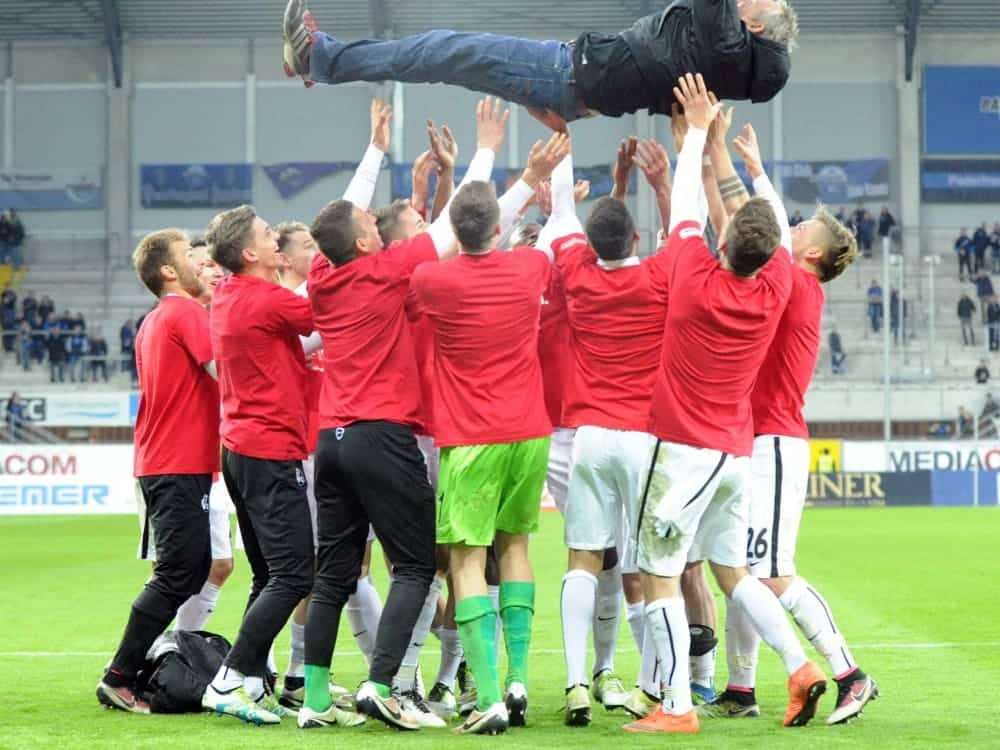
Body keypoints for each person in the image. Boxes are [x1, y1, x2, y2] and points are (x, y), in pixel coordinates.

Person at [300, 98, 529, 734]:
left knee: (334, 574)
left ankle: (315, 699)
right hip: (381, 434)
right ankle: (382, 686)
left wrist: (375, 148)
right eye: (368, 222)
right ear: (364, 241)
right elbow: (463, 223)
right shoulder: (387, 270)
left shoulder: (322, 276)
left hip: (331, 439)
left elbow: (339, 216)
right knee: (415, 565)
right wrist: (488, 151)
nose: (374, 219)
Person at [622, 74, 824, 736]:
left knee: (658, 573)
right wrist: (709, 143)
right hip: (736, 452)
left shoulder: (692, 276)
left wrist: (697, 136)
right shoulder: (777, 284)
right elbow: (767, 223)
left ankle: (678, 706)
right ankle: (799, 665)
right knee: (735, 573)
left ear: (726, 242)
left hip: (684, 449)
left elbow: (685, 204)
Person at [408, 127, 569, 733]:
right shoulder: (529, 268)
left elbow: (437, 243)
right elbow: (554, 231)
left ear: (456, 230)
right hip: (530, 432)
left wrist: (509, 175)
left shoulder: (433, 281)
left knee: (466, 559)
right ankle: (521, 675)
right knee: (516, 549)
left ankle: (490, 696)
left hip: (471, 437)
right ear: (499, 230)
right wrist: (537, 180)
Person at [531, 140, 673, 725]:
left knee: (583, 558)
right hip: (641, 437)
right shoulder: (658, 276)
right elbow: (679, 237)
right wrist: (661, 185)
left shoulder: (575, 274)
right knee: (646, 565)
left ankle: (576, 683)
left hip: (584, 435)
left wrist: (561, 137)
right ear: (636, 239)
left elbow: (567, 216)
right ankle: (650, 685)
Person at [282, 0, 797, 129]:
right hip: (571, 79)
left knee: (443, 50)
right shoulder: (726, 61)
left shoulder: (725, 42)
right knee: (443, 55)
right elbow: (655, 90)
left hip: (563, 73)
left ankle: (321, 58)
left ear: (754, 27)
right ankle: (320, 62)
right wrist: (582, 111)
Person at [96, 229, 219, 715]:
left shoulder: (158, 318)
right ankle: (120, 676)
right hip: (177, 461)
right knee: (178, 572)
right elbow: (224, 371)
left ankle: (145, 667)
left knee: (191, 568)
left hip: (172, 459)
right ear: (168, 270)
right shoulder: (184, 312)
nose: (199, 262)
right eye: (189, 255)